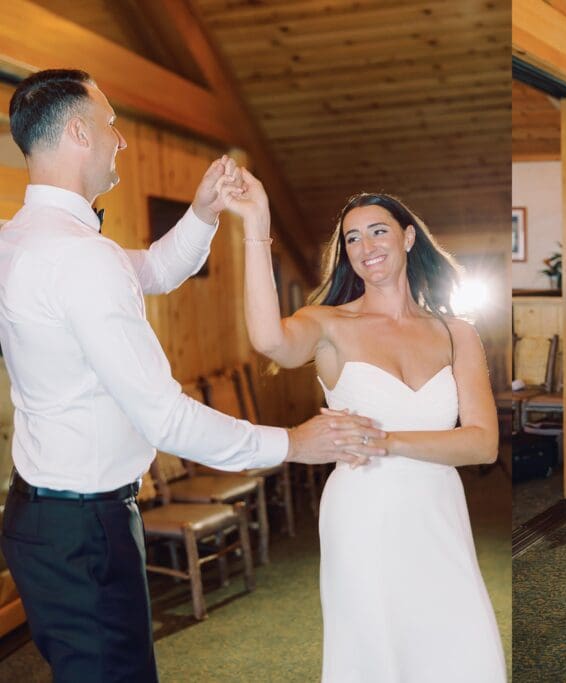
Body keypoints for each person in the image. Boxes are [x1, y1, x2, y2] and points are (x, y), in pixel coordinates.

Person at [0, 69, 379, 683]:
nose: (119, 140)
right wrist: (293, 443)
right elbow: (166, 417)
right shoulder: (77, 258)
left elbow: (149, 269)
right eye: (112, 125)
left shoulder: (22, 239)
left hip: (46, 519)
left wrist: (203, 213)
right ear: (78, 132)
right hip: (82, 531)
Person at [219, 168, 506, 681]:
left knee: (464, 650)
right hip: (362, 515)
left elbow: (483, 444)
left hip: (438, 511)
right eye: (352, 237)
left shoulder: (456, 332)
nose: (365, 245)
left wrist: (385, 439)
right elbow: (268, 341)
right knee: (376, 653)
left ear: (408, 237)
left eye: (378, 230)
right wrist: (257, 228)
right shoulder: (329, 324)